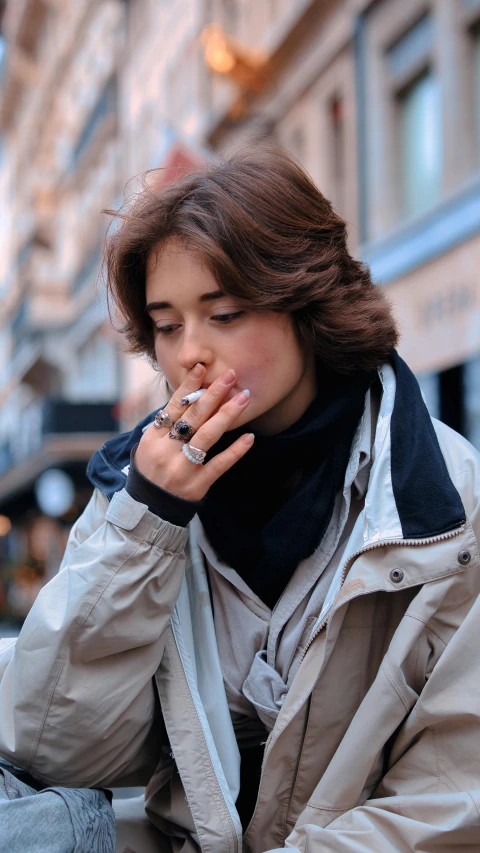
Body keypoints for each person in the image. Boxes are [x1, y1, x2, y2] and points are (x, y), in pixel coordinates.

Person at [0, 143, 479, 853]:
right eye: (166, 325)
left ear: (305, 304)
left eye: (223, 313)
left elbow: (450, 801)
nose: (190, 352)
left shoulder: (445, 503)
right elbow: (49, 745)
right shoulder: (131, 490)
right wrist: (147, 519)